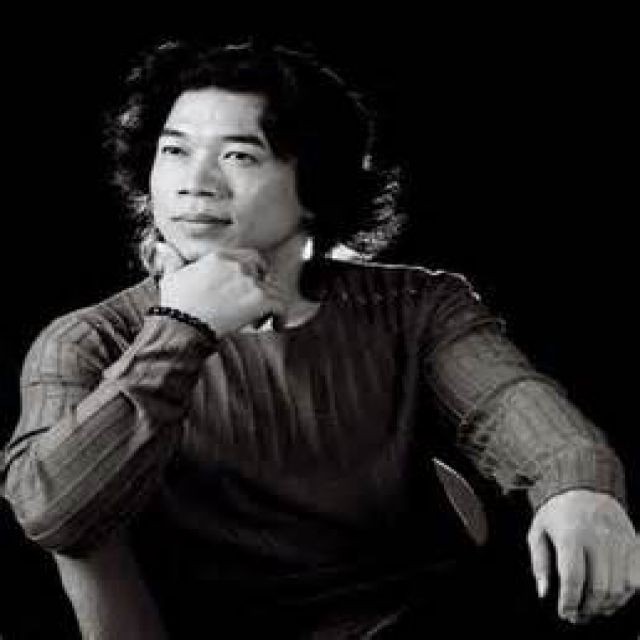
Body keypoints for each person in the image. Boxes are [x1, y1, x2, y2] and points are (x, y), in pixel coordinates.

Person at [1, 39, 638, 637]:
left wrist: (578, 484)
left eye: (239, 156)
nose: (195, 182)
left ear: (316, 185)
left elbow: (509, 401)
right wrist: (182, 328)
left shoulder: (414, 306)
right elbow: (53, 511)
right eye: (174, 151)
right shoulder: (88, 340)